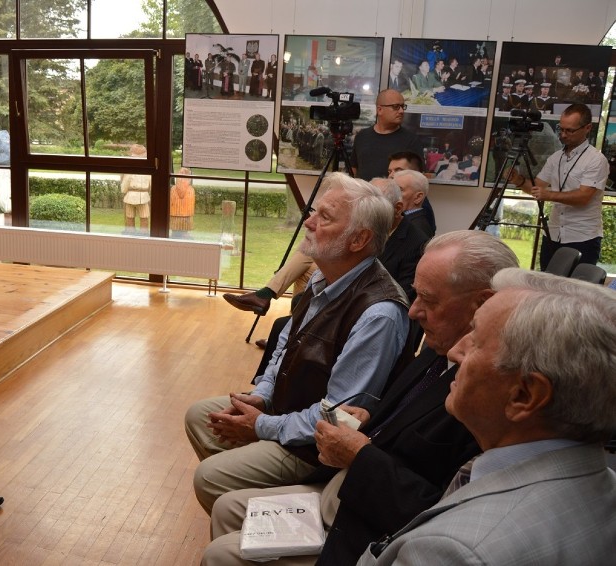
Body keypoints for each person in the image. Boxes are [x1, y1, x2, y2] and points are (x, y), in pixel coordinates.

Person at [201, 231, 519, 566]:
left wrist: (357, 453)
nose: (412, 311)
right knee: (227, 508)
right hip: (345, 489)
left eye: (429, 300)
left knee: (221, 550)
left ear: (481, 304)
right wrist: (369, 421)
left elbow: (437, 511)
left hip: (370, 527)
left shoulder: (488, 392)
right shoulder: (438, 346)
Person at [185, 174, 413, 514]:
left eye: (325, 217)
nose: (308, 221)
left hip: (313, 449)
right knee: (198, 416)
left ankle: (264, 518)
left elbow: (337, 418)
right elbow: (284, 346)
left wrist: (260, 426)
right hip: (288, 410)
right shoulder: (326, 275)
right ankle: (257, 509)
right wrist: (262, 394)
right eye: (314, 211)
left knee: (209, 477)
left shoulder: (378, 313)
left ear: (359, 239)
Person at [356, 269, 616, 566]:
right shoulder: (602, 485)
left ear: (524, 396)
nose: (454, 352)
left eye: (476, 340)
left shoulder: (451, 552)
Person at [222, 151, 424, 317]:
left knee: (310, 266)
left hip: (359, 294)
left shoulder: (416, 235)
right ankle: (292, 325)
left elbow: (401, 292)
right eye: (390, 171)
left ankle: (279, 307)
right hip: (351, 282)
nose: (308, 222)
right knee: (310, 260)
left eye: (325, 216)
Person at [509, 103, 608, 269]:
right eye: (561, 129)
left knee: (575, 290)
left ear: (587, 128)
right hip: (553, 234)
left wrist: (548, 195)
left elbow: (583, 197)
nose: (563, 134)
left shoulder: (596, 160)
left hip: (583, 237)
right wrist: (518, 180)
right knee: (547, 285)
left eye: (570, 130)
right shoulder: (556, 158)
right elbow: (536, 187)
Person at [351, 89, 424, 182]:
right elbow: (353, 169)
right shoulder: (362, 136)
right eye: (396, 106)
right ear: (380, 110)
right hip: (366, 194)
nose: (401, 111)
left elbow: (417, 178)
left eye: (402, 106)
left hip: (394, 195)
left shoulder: (411, 140)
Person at [392, 169, 434, 237]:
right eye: (392, 189)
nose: (392, 193)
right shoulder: (406, 220)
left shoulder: (417, 227)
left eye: (399, 189)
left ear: (418, 197)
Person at [120, 144, 151, 235]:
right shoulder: (146, 169)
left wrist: (124, 191)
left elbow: (124, 184)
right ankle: (141, 233)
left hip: (136, 196)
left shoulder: (130, 170)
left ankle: (134, 232)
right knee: (142, 217)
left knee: (134, 217)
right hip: (141, 196)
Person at [169, 167, 195, 238]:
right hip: (176, 214)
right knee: (176, 230)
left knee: (182, 229)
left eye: (184, 173)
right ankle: (178, 234)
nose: (182, 176)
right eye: (181, 173)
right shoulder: (173, 189)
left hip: (185, 214)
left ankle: (182, 234)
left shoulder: (190, 189)